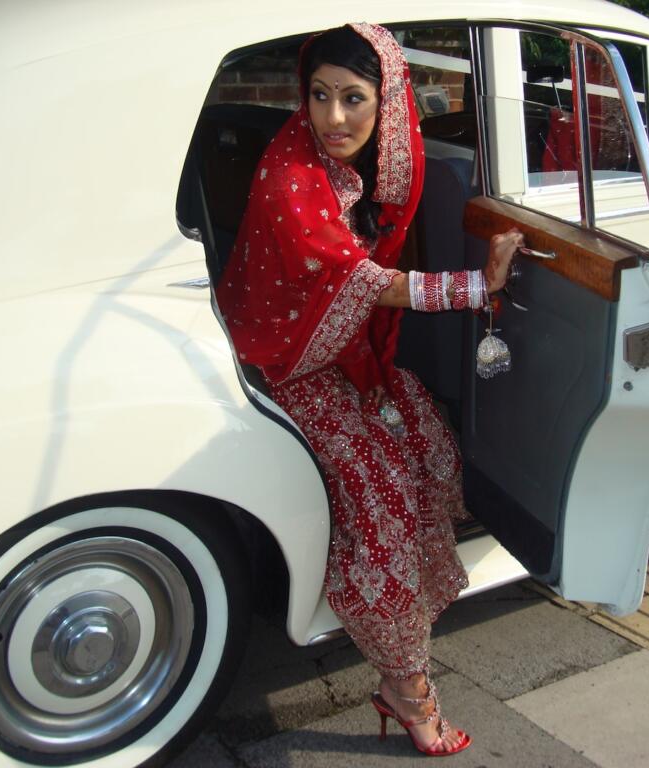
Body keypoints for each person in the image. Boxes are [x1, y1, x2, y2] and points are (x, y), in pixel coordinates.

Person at [216, 23, 523, 756]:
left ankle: (403, 625)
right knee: (382, 492)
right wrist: (480, 282)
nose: (332, 118)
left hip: (347, 353)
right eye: (319, 95)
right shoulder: (291, 170)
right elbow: (366, 283)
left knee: (428, 446)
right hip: (288, 361)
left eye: (354, 98)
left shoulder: (373, 159)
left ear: (387, 104)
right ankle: (409, 687)